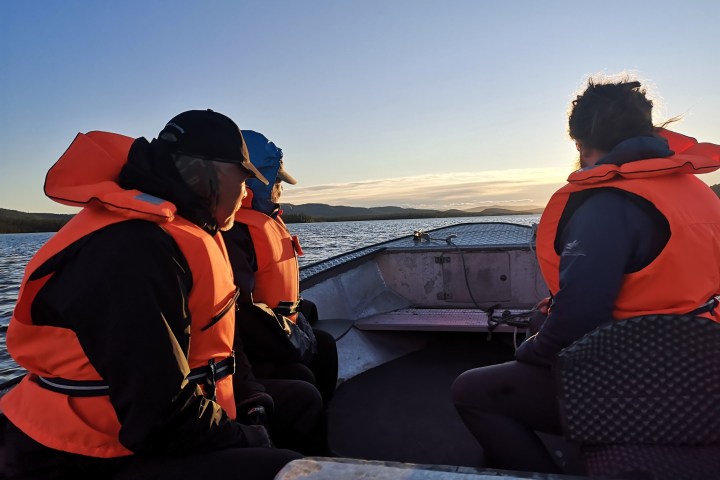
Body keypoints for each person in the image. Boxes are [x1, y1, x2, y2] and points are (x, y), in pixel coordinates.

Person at [0, 110, 302, 479]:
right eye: (241, 180)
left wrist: (249, 397)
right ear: (211, 173)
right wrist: (244, 437)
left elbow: (220, 343)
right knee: (283, 466)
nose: (244, 194)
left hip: (155, 425)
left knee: (299, 404)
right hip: (83, 455)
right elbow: (159, 415)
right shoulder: (132, 248)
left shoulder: (182, 229)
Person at [452, 76, 720, 473]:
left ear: (579, 143)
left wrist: (530, 350)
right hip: (703, 364)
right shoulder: (696, 190)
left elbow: (578, 321)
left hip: (640, 376)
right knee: (542, 319)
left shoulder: (607, 204)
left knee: (470, 391)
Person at [222, 131, 338, 453]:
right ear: (253, 181)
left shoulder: (263, 223)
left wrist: (300, 320)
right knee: (305, 376)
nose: (280, 188)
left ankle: (317, 436)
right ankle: (303, 455)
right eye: (276, 180)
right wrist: (295, 338)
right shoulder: (236, 235)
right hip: (249, 347)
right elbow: (242, 315)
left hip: (268, 333)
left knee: (322, 349)